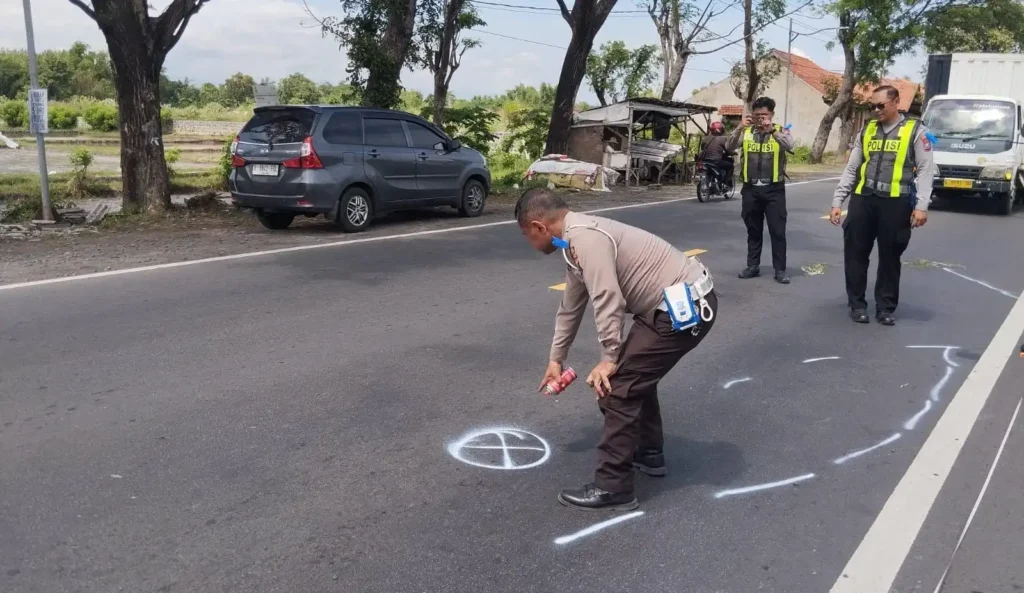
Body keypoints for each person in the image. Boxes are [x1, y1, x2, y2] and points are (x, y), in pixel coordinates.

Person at [515, 188, 718, 511]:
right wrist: (556, 358)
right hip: (670, 308)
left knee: (616, 387)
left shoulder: (585, 239)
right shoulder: (572, 243)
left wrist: (609, 359)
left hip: (684, 310)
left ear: (539, 226)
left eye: (527, 235)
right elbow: (571, 305)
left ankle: (613, 486)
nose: (530, 243)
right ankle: (648, 453)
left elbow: (607, 298)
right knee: (634, 376)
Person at [830, 85, 935, 326]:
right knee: (855, 254)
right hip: (863, 199)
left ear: (896, 102)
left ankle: (885, 307)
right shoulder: (866, 131)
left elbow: (927, 171)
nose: (875, 110)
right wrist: (838, 200)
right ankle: (857, 304)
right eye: (872, 106)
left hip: (896, 203)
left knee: (890, 256)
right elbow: (852, 169)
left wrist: (922, 206)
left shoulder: (916, 132)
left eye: (880, 105)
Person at [726, 96, 795, 284]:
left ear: (771, 115)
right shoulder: (746, 132)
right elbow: (729, 146)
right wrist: (739, 127)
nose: (760, 119)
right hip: (750, 190)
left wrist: (771, 130)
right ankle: (752, 266)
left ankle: (780, 270)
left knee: (777, 231)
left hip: (774, 190)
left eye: (764, 115)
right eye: (757, 115)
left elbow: (790, 146)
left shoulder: (781, 131)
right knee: (753, 230)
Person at [698, 121, 734, 189]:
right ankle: (726, 183)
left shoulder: (705, 138)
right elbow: (728, 149)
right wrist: (731, 153)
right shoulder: (722, 139)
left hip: (704, 161)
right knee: (730, 166)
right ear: (721, 130)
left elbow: (702, 148)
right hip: (715, 161)